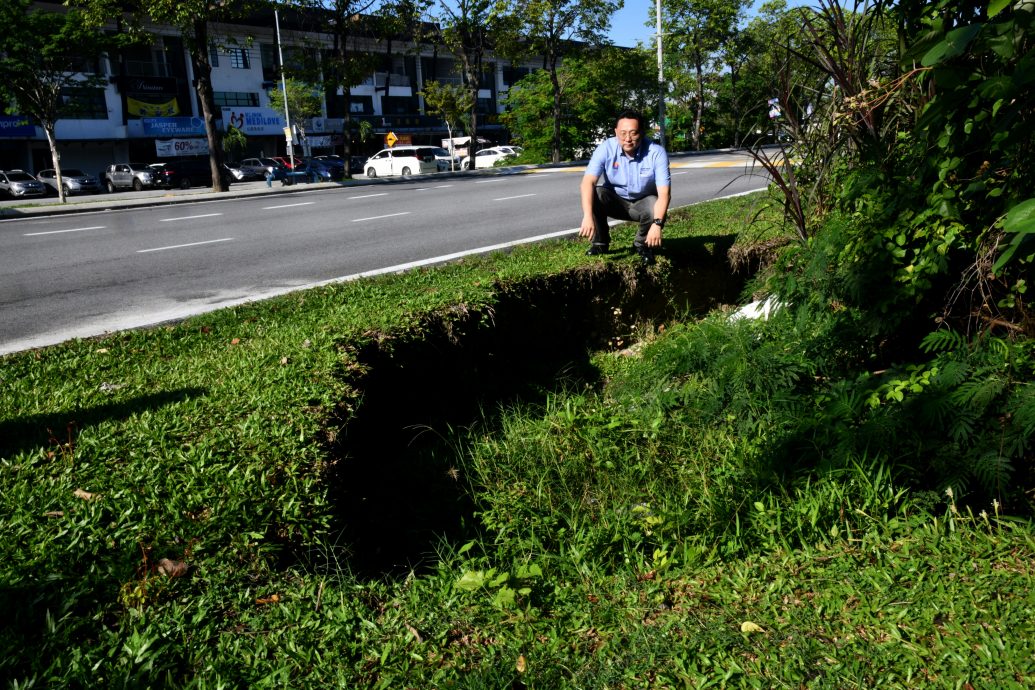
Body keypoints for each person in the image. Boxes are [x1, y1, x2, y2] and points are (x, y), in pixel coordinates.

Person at [579, 109, 671, 265]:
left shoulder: (656, 153)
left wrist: (657, 224)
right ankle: (600, 243)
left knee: (654, 204)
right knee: (597, 193)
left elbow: (664, 194)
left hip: (642, 204)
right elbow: (587, 182)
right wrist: (587, 215)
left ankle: (642, 245)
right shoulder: (606, 148)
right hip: (615, 201)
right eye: (623, 133)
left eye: (633, 133)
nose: (627, 139)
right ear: (616, 132)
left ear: (641, 133)